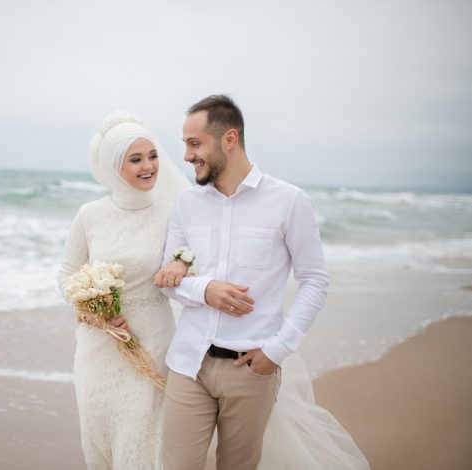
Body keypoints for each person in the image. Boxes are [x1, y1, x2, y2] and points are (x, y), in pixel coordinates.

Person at [154, 94, 369, 470]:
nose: (186, 156)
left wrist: (276, 352)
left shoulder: (289, 202)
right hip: (188, 364)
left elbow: (315, 281)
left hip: (249, 369)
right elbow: (166, 277)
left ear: (229, 139)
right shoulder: (187, 203)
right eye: (185, 145)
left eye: (194, 143)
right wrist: (206, 289)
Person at [57, 111, 190, 469]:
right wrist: (93, 309)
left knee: (143, 436)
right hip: (97, 345)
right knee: (101, 435)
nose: (148, 166)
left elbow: (188, 261)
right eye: (135, 159)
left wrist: (182, 266)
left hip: (153, 338)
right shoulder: (89, 215)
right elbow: (67, 273)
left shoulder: (172, 213)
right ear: (116, 165)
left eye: (153, 156)